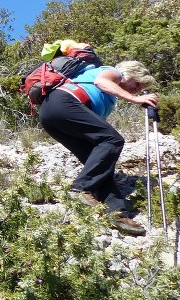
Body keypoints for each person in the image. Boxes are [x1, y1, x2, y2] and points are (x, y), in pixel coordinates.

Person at [38, 59, 158, 236]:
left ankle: (118, 214)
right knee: (113, 140)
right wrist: (135, 99)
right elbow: (101, 82)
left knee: (101, 166)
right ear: (132, 74)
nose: (137, 89)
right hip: (63, 103)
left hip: (52, 115)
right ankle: (80, 188)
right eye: (137, 84)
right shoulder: (114, 73)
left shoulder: (109, 99)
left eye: (140, 88)